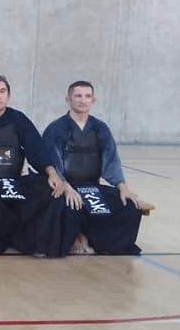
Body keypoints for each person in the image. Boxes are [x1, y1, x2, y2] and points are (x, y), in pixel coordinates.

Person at [0, 75, 74, 258]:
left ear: (8, 96)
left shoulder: (19, 119)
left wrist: (51, 173)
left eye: (2, 92)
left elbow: (37, 149)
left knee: (50, 192)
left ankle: (34, 243)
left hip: (13, 180)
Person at [43, 81, 151, 255]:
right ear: (68, 99)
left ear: (93, 100)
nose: (83, 100)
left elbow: (111, 161)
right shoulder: (56, 129)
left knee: (130, 206)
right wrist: (66, 188)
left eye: (87, 96)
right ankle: (75, 238)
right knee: (69, 204)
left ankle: (97, 242)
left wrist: (123, 188)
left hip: (92, 186)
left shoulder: (101, 129)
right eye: (78, 96)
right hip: (67, 186)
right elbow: (53, 165)